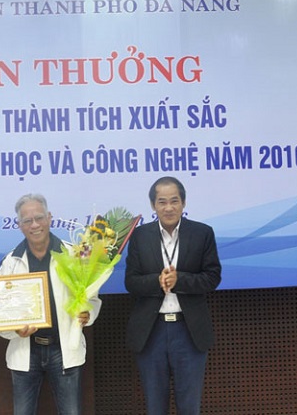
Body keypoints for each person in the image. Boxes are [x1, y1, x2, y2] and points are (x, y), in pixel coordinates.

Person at [124, 176, 222, 415]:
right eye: (162, 202)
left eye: (174, 201)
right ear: (153, 206)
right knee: (155, 406)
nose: (168, 207)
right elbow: (131, 282)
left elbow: (212, 277)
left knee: (189, 406)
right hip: (152, 331)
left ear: (184, 203)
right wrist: (156, 282)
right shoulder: (140, 236)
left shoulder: (202, 233)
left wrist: (181, 280)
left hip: (188, 331)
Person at [0, 193, 100, 415]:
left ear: (50, 218)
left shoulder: (75, 254)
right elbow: (0, 313)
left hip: (63, 349)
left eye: (39, 218)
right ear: (20, 225)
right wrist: (14, 330)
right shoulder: (10, 262)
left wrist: (87, 314)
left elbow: (91, 297)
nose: (35, 225)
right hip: (26, 350)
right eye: (27, 221)